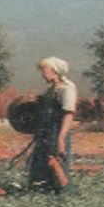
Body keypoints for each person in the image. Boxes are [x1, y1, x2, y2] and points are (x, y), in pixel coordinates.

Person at [27, 56, 77, 194]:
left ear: (54, 71)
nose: (42, 74)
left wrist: (61, 139)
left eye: (44, 70)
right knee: (39, 164)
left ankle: (64, 196)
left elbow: (68, 114)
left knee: (56, 165)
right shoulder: (50, 90)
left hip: (57, 132)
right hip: (46, 133)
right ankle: (40, 194)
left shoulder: (67, 88)